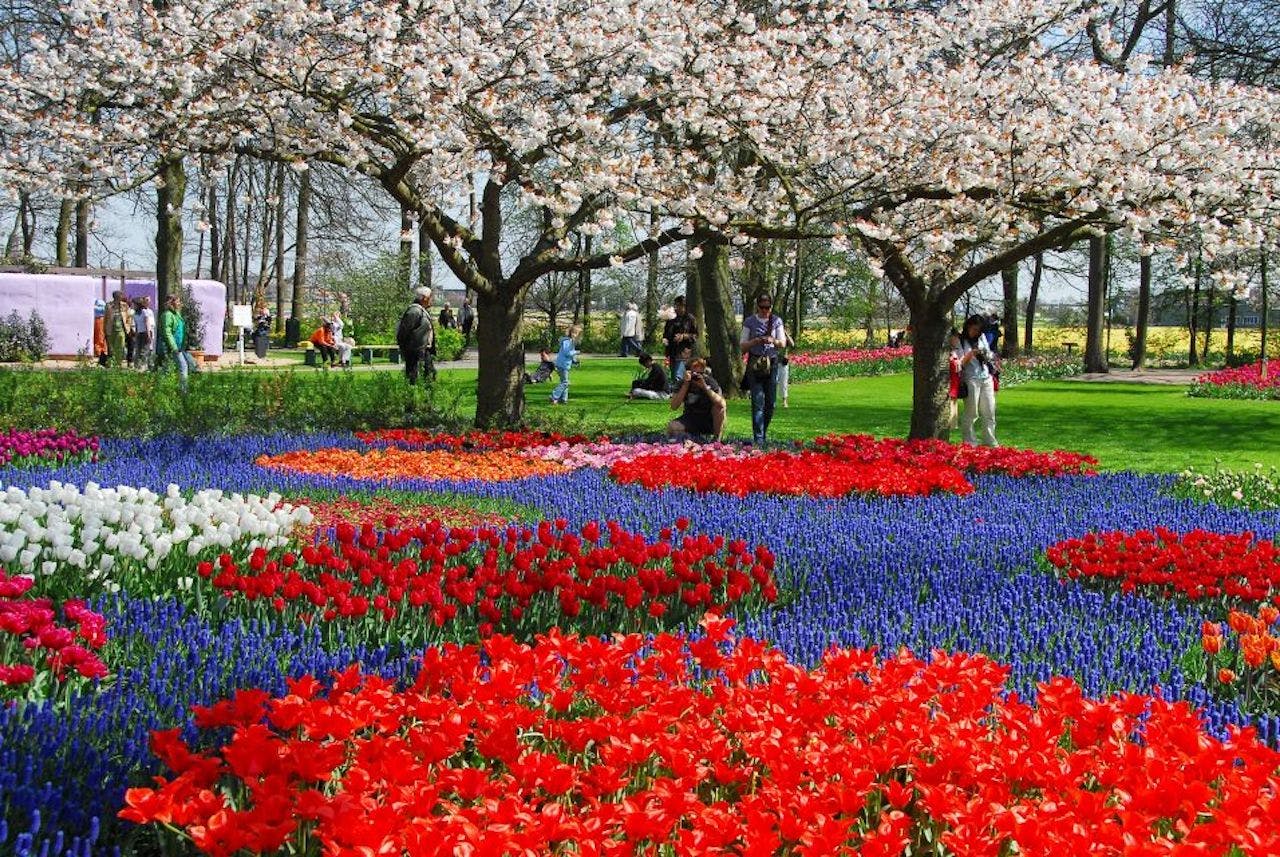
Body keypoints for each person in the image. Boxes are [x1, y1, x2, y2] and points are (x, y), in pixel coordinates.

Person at [740, 292, 786, 447]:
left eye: (768, 307)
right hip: (755, 363)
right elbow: (743, 346)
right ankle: (759, 439)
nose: (765, 310)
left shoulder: (776, 321)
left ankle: (763, 432)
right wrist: (756, 341)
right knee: (758, 401)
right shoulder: (750, 322)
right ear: (757, 306)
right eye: (762, 307)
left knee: (771, 403)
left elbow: (783, 343)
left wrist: (773, 340)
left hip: (771, 362)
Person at [958, 313, 999, 446]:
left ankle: (990, 441)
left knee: (989, 411)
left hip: (985, 377)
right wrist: (971, 354)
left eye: (979, 330)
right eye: (974, 329)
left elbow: (989, 354)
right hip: (971, 378)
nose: (976, 332)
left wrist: (986, 354)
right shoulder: (961, 340)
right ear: (968, 326)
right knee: (971, 412)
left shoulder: (981, 338)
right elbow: (960, 363)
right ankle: (970, 442)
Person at [668, 357, 726, 441]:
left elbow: (722, 404)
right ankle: (693, 438)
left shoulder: (709, 381)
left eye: (701, 373)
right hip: (691, 417)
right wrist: (685, 385)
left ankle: (717, 439)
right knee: (672, 427)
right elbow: (674, 406)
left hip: (710, 418)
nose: (697, 376)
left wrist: (705, 387)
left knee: (718, 407)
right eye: (694, 373)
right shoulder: (682, 383)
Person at [397, 286, 436, 385]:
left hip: (424, 351)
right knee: (414, 378)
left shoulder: (421, 311)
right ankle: (413, 394)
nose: (432, 300)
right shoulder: (414, 311)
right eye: (430, 297)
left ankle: (426, 394)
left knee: (430, 376)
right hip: (416, 353)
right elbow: (403, 333)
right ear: (424, 298)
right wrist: (408, 350)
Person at [159, 294, 198, 391]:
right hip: (172, 347)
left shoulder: (176, 314)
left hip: (179, 347)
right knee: (183, 366)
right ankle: (183, 391)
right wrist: (174, 347)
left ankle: (161, 388)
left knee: (169, 367)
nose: (180, 303)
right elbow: (167, 332)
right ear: (171, 303)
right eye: (178, 301)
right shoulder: (168, 315)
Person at [662, 295, 698, 382]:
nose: (676, 308)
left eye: (679, 305)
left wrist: (683, 336)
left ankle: (678, 389)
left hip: (683, 352)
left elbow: (695, 335)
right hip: (672, 351)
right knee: (673, 375)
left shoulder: (690, 319)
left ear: (684, 306)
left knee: (678, 376)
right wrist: (665, 339)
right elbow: (666, 333)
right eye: (676, 305)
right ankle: (676, 389)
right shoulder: (671, 318)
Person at [550, 324, 581, 405]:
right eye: (576, 333)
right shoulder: (567, 341)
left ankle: (564, 399)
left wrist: (575, 361)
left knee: (563, 382)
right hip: (562, 365)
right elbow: (567, 353)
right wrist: (576, 352)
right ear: (572, 333)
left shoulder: (570, 342)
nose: (577, 335)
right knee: (565, 382)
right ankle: (554, 396)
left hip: (564, 364)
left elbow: (569, 355)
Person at [103, 290, 134, 367]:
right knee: (111, 348)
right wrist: (104, 329)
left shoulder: (125, 305)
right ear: (116, 297)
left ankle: (118, 363)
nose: (121, 297)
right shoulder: (108, 305)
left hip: (121, 330)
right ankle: (111, 363)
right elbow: (105, 318)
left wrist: (128, 327)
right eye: (120, 295)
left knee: (120, 347)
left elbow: (129, 317)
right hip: (110, 330)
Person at [947, 328, 963, 430]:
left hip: (955, 378)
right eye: (955, 337)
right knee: (950, 400)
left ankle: (953, 423)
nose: (957, 339)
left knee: (954, 400)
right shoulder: (947, 351)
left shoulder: (956, 350)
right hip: (950, 378)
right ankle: (950, 423)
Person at [133, 296, 155, 369]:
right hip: (139, 333)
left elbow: (147, 323)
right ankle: (138, 365)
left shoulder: (144, 312)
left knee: (144, 350)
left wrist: (149, 335)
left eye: (134, 304)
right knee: (138, 349)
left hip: (145, 333)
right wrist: (136, 335)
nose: (133, 306)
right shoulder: (135, 313)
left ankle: (144, 365)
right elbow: (136, 325)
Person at [776, 327, 795, 408]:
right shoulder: (775, 338)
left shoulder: (786, 340)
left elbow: (792, 344)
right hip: (774, 363)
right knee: (773, 382)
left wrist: (786, 334)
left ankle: (784, 401)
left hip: (783, 364)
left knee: (783, 383)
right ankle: (771, 401)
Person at [92, 300, 108, 367]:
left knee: (99, 337)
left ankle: (100, 353)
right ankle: (99, 352)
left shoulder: (98, 303)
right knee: (98, 336)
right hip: (98, 319)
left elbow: (103, 309)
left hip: (100, 319)